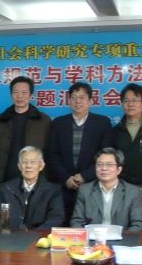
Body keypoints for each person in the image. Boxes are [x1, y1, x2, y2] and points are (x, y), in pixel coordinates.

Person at [46, 82, 111, 221]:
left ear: (91, 101)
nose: (77, 101)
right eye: (74, 98)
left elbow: (106, 155)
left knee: (89, 224)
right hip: (62, 186)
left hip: (92, 185)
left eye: (82, 97)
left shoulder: (102, 123)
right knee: (62, 224)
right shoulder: (58, 123)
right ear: (69, 101)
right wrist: (66, 178)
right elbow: (52, 154)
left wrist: (85, 176)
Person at [0, 76, 51, 191]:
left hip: (34, 180)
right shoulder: (0, 120)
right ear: (11, 95)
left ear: (31, 95)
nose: (19, 96)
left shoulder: (44, 120)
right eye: (16, 92)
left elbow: (48, 153)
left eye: (24, 92)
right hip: (5, 179)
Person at [0, 146, 64, 230]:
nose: (28, 166)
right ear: (19, 166)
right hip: (9, 235)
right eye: (24, 162)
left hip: (38, 236)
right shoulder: (5, 189)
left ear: (41, 166)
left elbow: (56, 218)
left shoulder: (53, 191)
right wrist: (5, 232)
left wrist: (35, 234)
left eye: (33, 162)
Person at [70, 147, 142, 232]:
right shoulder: (85, 190)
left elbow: (138, 224)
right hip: (92, 238)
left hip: (122, 238)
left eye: (109, 165)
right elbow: (77, 222)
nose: (104, 168)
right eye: (99, 164)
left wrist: (123, 238)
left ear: (119, 169)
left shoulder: (133, 192)